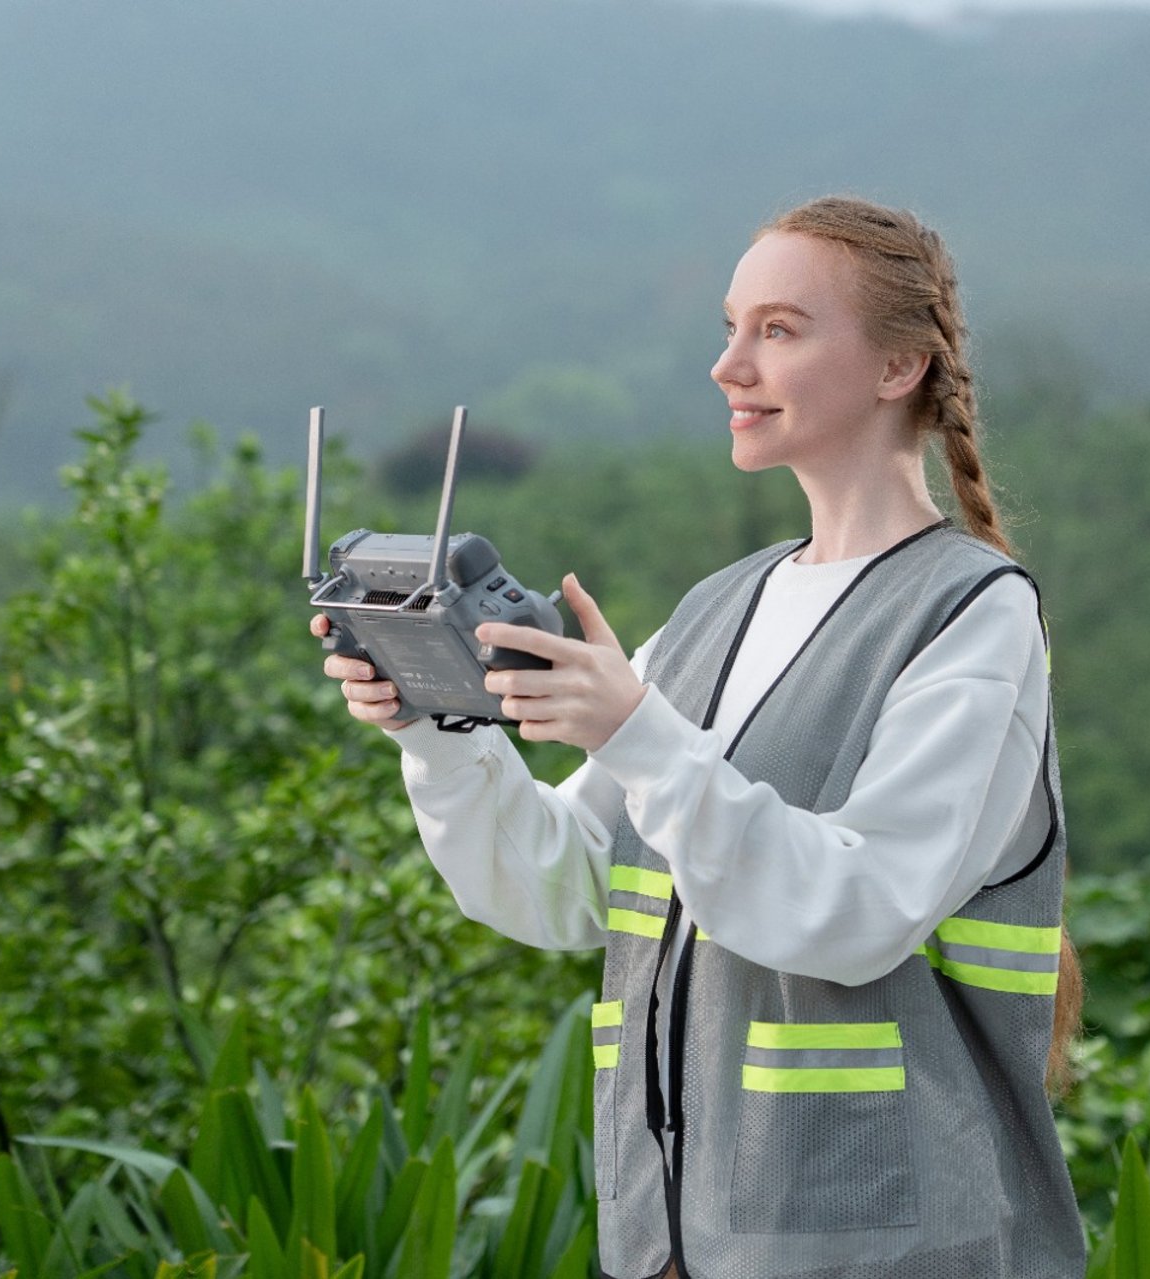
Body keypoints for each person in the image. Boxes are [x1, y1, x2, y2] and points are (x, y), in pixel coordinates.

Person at [313, 195, 1084, 1279]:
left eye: (778, 329)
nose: (729, 366)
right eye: (729, 328)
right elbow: (570, 888)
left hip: (883, 1248)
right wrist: (441, 729)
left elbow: (855, 912)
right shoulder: (720, 609)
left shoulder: (972, 613)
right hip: (682, 1245)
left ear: (897, 366)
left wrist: (637, 731)